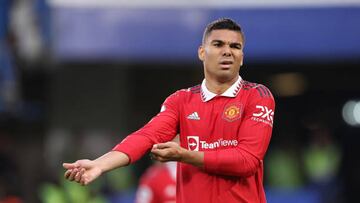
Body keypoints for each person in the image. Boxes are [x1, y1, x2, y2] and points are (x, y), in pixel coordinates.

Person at [63, 18, 275, 203]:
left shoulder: (257, 96)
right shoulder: (181, 100)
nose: (227, 51)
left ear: (242, 57)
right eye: (218, 44)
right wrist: (100, 164)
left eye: (235, 46)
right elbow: (147, 135)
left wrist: (186, 155)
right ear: (202, 52)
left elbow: (246, 161)